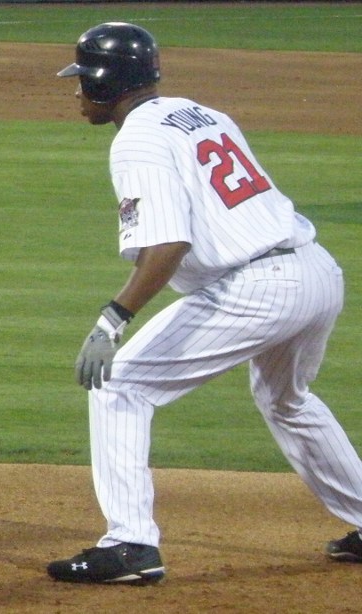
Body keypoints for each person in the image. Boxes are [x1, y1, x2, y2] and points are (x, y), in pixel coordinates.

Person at [47, 22, 362, 585]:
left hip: (257, 289)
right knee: (286, 398)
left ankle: (130, 545)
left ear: (105, 82)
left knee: (120, 385)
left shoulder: (137, 140)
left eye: (81, 80)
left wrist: (113, 317)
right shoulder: (198, 112)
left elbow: (168, 243)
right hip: (315, 270)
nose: (75, 92)